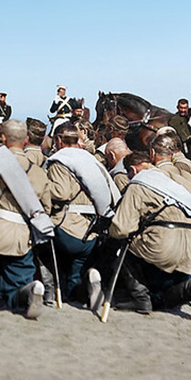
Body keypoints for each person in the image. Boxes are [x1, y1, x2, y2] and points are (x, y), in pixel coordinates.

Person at [108, 152, 191, 318]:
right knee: (160, 300)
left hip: (163, 243)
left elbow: (122, 228)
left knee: (121, 247)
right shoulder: (174, 182)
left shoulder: (138, 184)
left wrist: (110, 232)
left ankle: (140, 298)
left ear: (133, 170)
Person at [0, 119, 51, 318]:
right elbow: (44, 208)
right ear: (27, 140)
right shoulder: (38, 173)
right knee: (17, 276)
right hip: (21, 237)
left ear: (3, 138)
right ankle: (26, 294)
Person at [46, 122, 118, 311]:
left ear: (58, 140)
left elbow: (61, 193)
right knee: (76, 269)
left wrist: (41, 185)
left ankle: (51, 290)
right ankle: (86, 285)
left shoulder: (59, 162)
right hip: (92, 229)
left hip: (67, 226)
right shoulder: (92, 160)